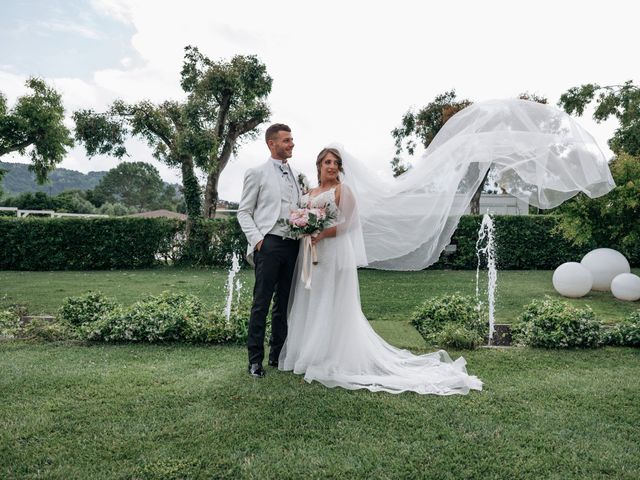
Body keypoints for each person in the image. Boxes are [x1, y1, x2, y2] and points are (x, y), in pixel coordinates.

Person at [278, 148, 484, 395]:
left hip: (333, 252)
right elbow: (299, 215)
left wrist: (321, 233)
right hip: (309, 252)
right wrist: (303, 228)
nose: (331, 166)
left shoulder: (343, 191)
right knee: (311, 298)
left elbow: (351, 223)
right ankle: (307, 353)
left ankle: (328, 355)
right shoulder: (309, 192)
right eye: (327, 162)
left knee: (330, 300)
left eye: (336, 163)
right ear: (319, 165)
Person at [237, 123, 304, 378]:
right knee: (261, 303)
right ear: (272, 143)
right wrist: (257, 240)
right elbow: (244, 212)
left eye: (292, 139)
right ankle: (255, 360)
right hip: (269, 243)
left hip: (293, 245)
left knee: (284, 303)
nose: (291, 144)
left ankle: (278, 355)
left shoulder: (298, 175)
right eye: (287, 140)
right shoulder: (257, 173)